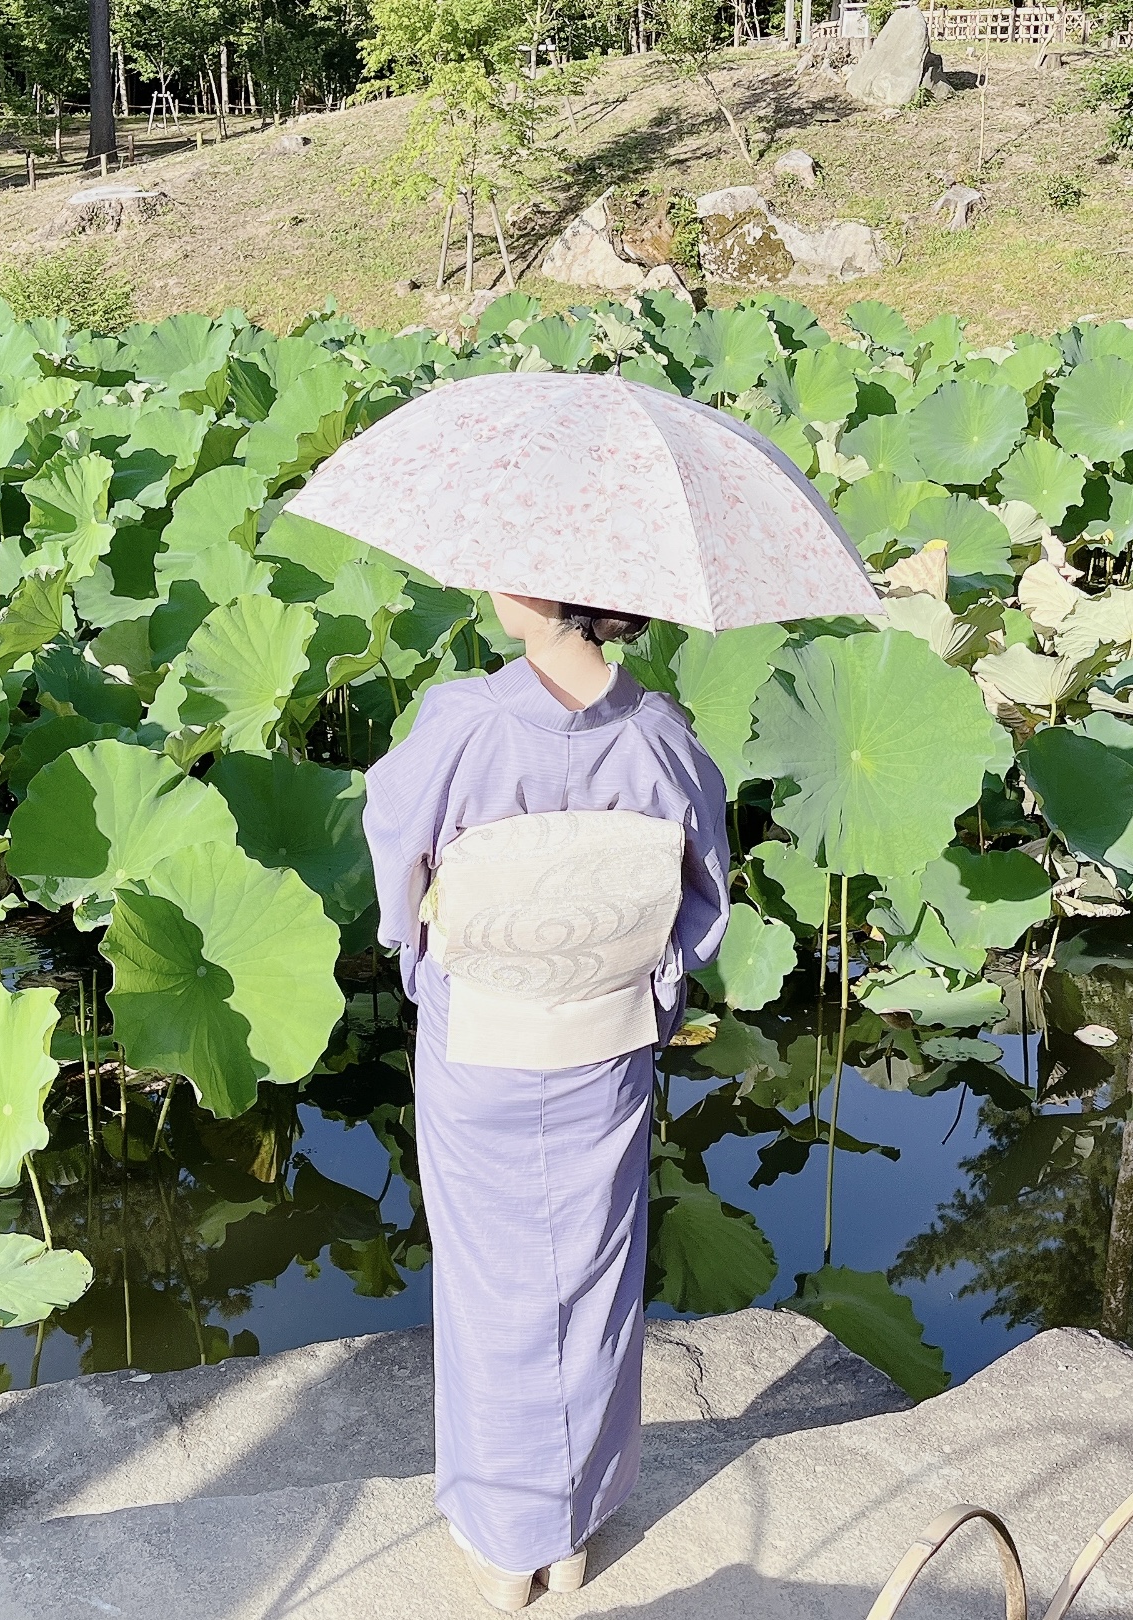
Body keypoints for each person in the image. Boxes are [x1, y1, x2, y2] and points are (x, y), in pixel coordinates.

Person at [361, 593, 732, 1611]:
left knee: (493, 1284)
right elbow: (702, 911)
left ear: (528, 588)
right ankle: (573, 1526)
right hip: (607, 1044)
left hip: (481, 1041)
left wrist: (442, 957)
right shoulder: (665, 738)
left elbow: (399, 879)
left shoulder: (461, 722)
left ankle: (504, 1538)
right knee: (596, 1275)